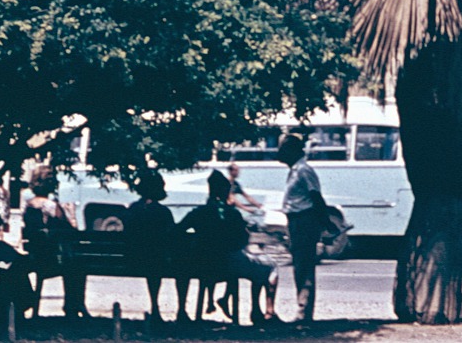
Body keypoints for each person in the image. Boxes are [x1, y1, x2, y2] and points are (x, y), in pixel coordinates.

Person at [179, 170, 279, 323]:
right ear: (226, 192)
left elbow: (177, 231)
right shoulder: (233, 214)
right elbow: (242, 240)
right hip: (229, 265)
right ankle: (259, 311)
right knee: (269, 266)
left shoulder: (198, 213)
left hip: (202, 264)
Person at [21, 165, 86, 319]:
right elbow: (69, 231)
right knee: (76, 267)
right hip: (53, 259)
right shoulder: (51, 206)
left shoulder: (28, 205)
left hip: (37, 256)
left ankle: (39, 309)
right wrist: (71, 214)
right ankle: (73, 306)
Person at [124, 168, 183, 321]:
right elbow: (172, 237)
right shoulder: (163, 212)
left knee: (153, 262)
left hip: (132, 260)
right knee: (182, 268)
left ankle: (155, 307)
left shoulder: (132, 209)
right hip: (157, 260)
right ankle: (181, 310)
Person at [278, 133, 323, 323]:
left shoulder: (304, 170)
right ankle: (302, 307)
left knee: (303, 265)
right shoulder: (294, 170)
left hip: (304, 221)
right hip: (296, 221)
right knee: (299, 265)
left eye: (283, 149)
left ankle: (305, 311)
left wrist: (324, 223)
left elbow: (316, 198)